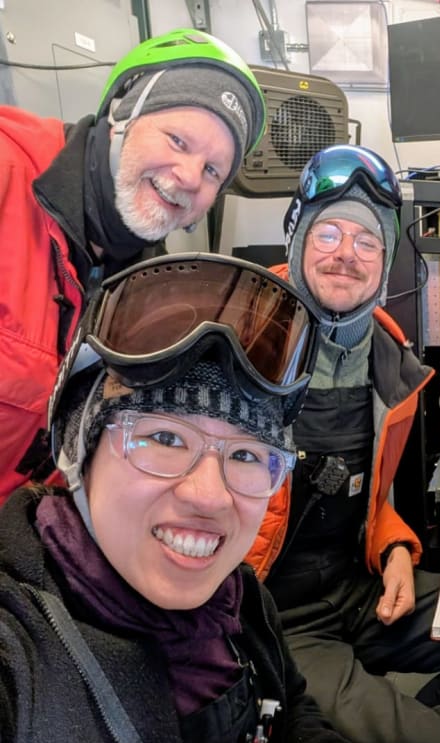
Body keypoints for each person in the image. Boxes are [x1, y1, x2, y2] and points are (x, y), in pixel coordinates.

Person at [0, 252, 404, 743]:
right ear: (78, 450)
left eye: (245, 455)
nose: (210, 496)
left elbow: (285, 715)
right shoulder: (18, 662)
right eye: (163, 437)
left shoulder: (239, 602)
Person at [246, 145, 440, 743]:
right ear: (296, 237)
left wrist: (398, 551)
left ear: (384, 267)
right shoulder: (233, 335)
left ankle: (395, 732)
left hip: (359, 589)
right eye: (327, 232)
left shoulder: (388, 358)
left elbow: (370, 497)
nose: (345, 253)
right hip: (275, 620)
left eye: (364, 242)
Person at [0, 28, 266, 504]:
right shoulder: (6, 175)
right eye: (178, 140)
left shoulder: (154, 293)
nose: (187, 177)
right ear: (122, 111)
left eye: (212, 171)